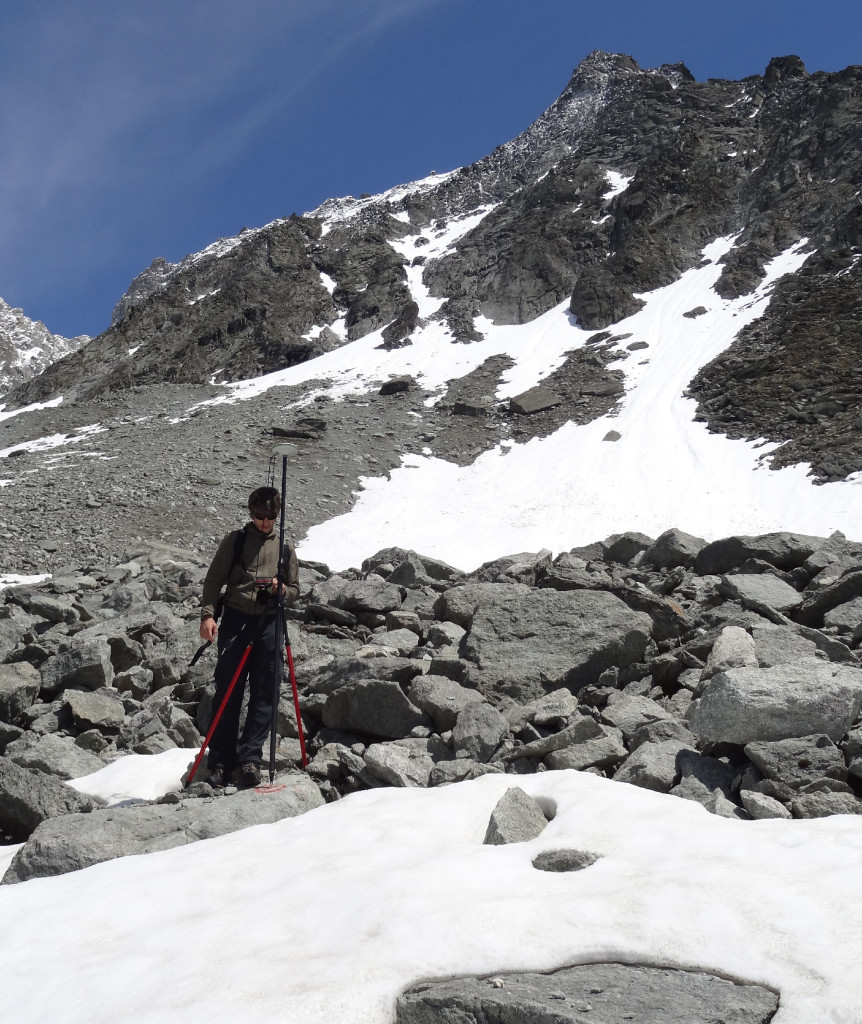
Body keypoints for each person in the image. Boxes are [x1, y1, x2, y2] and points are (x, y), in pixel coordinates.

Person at [199, 486, 299, 789]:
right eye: (259, 516)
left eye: (270, 517)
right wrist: (207, 615)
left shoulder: (285, 549)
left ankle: (250, 759)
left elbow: (295, 589)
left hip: (270, 622)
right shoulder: (236, 540)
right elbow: (214, 579)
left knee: (265, 692)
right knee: (228, 690)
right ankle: (220, 761)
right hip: (236, 620)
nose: (265, 522)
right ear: (250, 512)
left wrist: (282, 590)